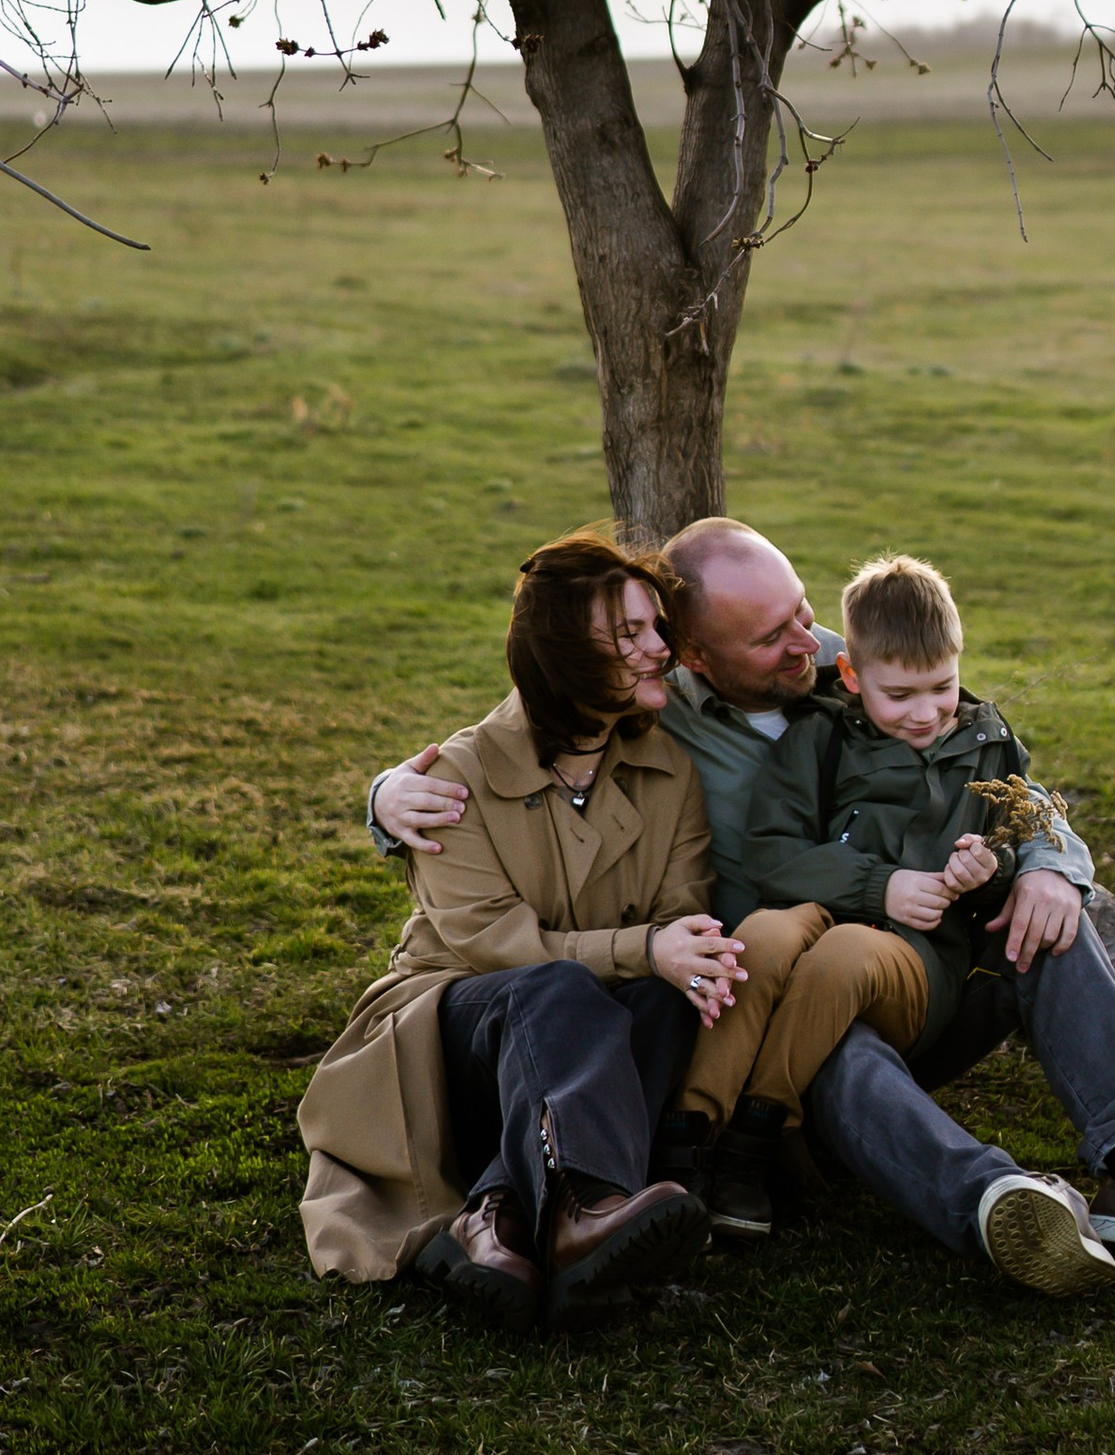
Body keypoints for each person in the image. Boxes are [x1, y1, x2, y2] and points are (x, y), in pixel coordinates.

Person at [365, 518, 1115, 1280]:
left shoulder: (847, 664)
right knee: (825, 1020)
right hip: (777, 984)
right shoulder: (646, 704)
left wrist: (1048, 862)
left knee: (1045, 921)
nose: (807, 645)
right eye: (770, 639)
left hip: (930, 963)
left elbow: (991, 757)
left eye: (802, 613)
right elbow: (524, 726)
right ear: (691, 655)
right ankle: (993, 1201)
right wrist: (383, 800)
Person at [299, 531, 827, 1327]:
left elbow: (681, 910)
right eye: (631, 635)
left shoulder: (666, 769)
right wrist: (644, 948)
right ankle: (584, 1207)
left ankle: (512, 1213)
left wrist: (680, 952)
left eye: (656, 626)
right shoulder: (455, 779)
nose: (661, 649)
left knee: (667, 1000)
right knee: (557, 987)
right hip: (456, 1030)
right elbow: (493, 947)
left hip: (582, 1046)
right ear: (564, 659)